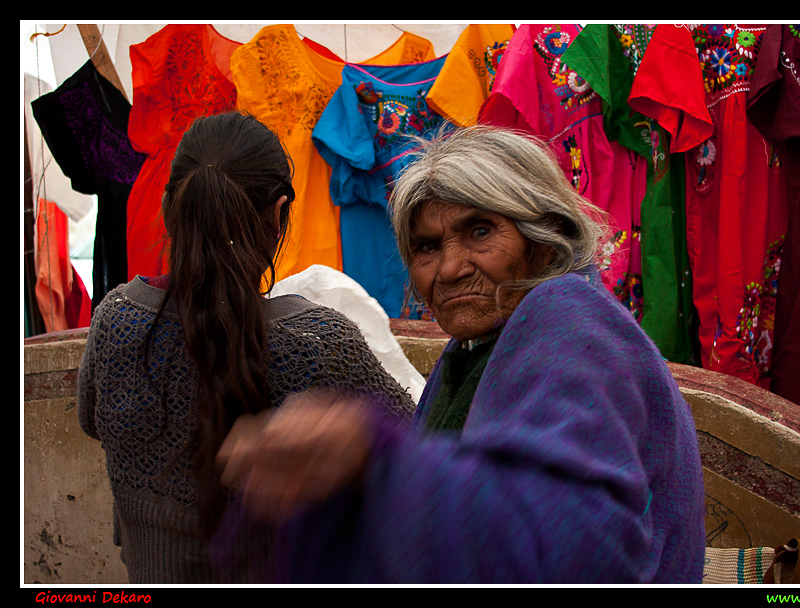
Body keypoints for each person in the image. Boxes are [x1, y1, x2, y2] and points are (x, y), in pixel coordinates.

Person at [216, 125, 707, 583]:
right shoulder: (470, 352)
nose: (448, 269)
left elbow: (582, 542)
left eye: (479, 232)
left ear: (545, 238)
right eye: (427, 246)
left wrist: (375, 459)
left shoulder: (570, 317)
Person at [76, 111, 417, 584]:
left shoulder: (115, 319)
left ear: (169, 206)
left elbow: (91, 421)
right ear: (278, 215)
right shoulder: (318, 341)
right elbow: (413, 446)